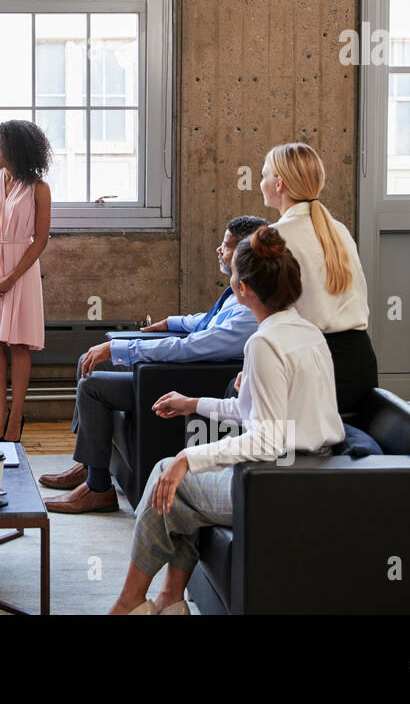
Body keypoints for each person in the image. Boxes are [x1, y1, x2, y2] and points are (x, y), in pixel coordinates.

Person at [107, 226, 345, 614]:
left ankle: (129, 602)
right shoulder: (307, 332)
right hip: (309, 473)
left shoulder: (264, 343)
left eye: (234, 274)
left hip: (278, 485)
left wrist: (189, 460)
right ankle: (169, 601)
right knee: (180, 492)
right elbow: (260, 415)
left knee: (168, 473)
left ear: (244, 289)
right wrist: (193, 404)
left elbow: (267, 439)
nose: (230, 280)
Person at [39, 215, 267, 513]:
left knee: (92, 385)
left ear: (242, 254)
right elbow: (208, 323)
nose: (218, 251)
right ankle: (89, 464)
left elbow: (192, 348)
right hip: (181, 371)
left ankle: (98, 489)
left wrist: (122, 347)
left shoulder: (248, 312)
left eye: (224, 247)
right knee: (88, 361)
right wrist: (171, 322)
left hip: (183, 380)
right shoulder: (239, 298)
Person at [260, 142, 377, 414]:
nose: (261, 183)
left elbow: (275, 313)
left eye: (264, 175)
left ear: (279, 184)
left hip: (315, 361)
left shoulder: (275, 238)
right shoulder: (339, 231)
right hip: (359, 361)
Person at [0, 120, 53, 444]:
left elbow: (41, 239)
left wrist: (11, 278)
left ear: (15, 150)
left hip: (21, 269)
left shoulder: (39, 189)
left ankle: (17, 415)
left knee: (19, 344)